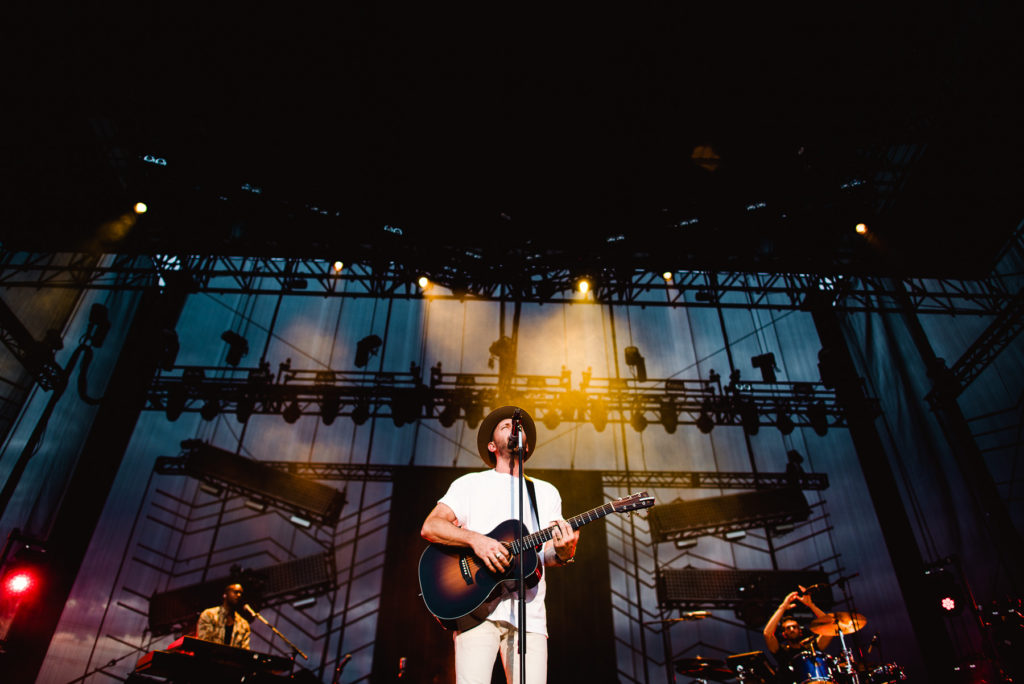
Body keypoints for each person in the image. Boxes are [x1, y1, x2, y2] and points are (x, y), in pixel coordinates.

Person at [421, 406, 579, 684]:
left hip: (530, 616)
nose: (514, 428)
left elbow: (547, 556)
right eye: (505, 425)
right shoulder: (470, 484)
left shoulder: (544, 492)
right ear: (492, 445)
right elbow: (431, 526)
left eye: (518, 427)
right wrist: (477, 541)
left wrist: (565, 552)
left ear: (526, 445)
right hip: (475, 609)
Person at [762, 586, 832, 678]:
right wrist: (782, 607)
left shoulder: (813, 648)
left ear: (800, 631)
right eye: (788, 628)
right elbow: (767, 634)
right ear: (784, 634)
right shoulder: (782, 652)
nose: (791, 629)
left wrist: (811, 605)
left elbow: (830, 625)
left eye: (794, 627)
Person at [196, 582, 251, 649]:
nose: (239, 595)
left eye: (241, 593)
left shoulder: (244, 624)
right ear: (225, 594)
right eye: (235, 592)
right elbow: (203, 642)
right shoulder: (209, 614)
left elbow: (244, 650)